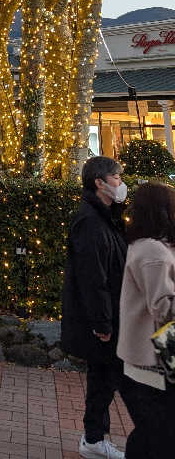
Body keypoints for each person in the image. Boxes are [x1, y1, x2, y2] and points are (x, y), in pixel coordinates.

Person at [61, 156, 129, 459]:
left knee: (104, 378)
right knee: (105, 378)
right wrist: (102, 323)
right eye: (116, 177)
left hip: (111, 316)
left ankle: (94, 438)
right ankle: (93, 438)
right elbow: (93, 278)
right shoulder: (91, 221)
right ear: (99, 182)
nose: (121, 183)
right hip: (103, 321)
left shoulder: (105, 217)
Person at [117, 181, 175, 458]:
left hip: (147, 357)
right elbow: (163, 308)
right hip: (153, 359)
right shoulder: (153, 252)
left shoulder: (147, 246)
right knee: (157, 434)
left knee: (151, 432)